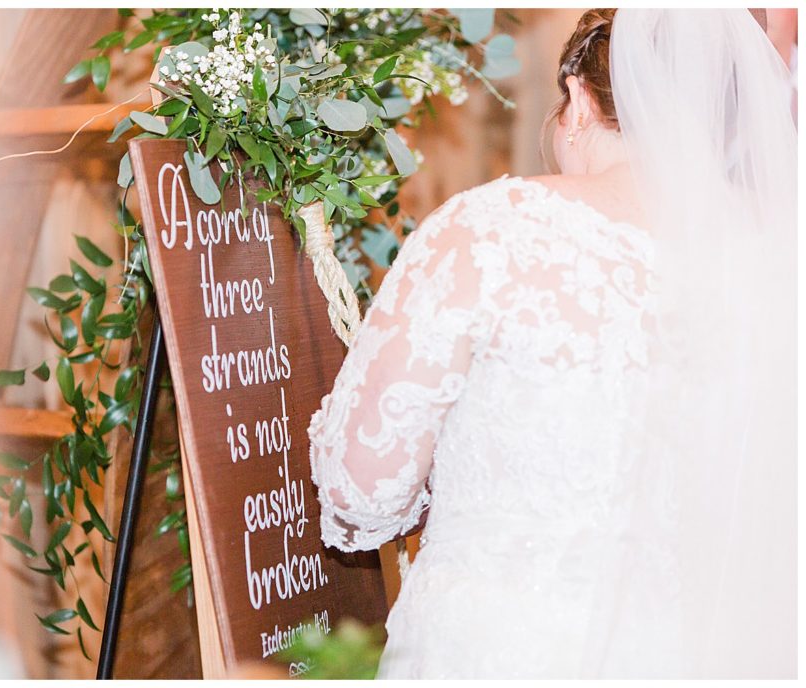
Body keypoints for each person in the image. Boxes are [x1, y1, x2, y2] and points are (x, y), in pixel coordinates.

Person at [308, 9, 796, 679]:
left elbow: (358, 488)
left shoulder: (494, 229)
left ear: (580, 100)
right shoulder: (776, 266)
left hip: (502, 649)